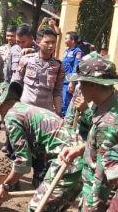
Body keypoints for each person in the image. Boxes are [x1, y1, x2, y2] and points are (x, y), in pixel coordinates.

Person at [0, 82, 83, 211]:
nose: (0, 114)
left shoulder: (11, 117)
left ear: (3, 104)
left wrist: (5, 185)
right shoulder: (26, 109)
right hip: (81, 157)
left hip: (68, 159)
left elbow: (23, 163)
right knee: (56, 208)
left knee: (36, 207)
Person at [58, 52, 118, 211]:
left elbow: (101, 180)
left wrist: (91, 207)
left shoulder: (108, 123)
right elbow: (102, 147)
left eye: (81, 83)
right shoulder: (108, 102)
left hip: (97, 196)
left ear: (93, 84)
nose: (78, 87)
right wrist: (81, 148)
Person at [11, 28, 65, 115]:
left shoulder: (59, 66)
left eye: (53, 42)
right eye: (47, 42)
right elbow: (16, 83)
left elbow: (57, 91)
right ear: (38, 42)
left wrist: (58, 112)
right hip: (25, 109)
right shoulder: (26, 60)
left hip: (45, 112)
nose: (51, 46)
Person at [61, 31, 83, 117]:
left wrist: (72, 82)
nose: (65, 41)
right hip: (62, 80)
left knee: (65, 103)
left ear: (73, 40)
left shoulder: (77, 52)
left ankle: (64, 121)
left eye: (66, 39)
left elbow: (76, 67)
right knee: (61, 102)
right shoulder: (66, 51)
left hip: (68, 82)